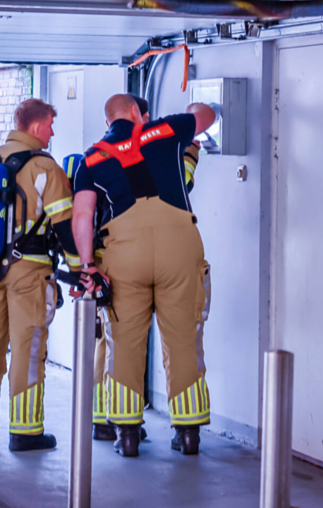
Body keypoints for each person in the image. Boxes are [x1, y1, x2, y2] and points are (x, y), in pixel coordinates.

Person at [72, 94, 215, 457]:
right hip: (179, 250)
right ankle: (188, 434)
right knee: (183, 339)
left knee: (125, 344)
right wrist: (190, 111)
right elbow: (207, 114)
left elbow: (82, 216)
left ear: (108, 122)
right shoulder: (165, 130)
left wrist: (88, 266)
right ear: (137, 113)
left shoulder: (92, 159)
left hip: (125, 256)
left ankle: (127, 435)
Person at [0, 98, 81, 452]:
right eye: (51, 125)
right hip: (30, 272)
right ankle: (26, 432)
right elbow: (64, 225)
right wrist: (79, 268)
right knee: (28, 349)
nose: (53, 132)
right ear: (38, 127)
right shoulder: (45, 168)